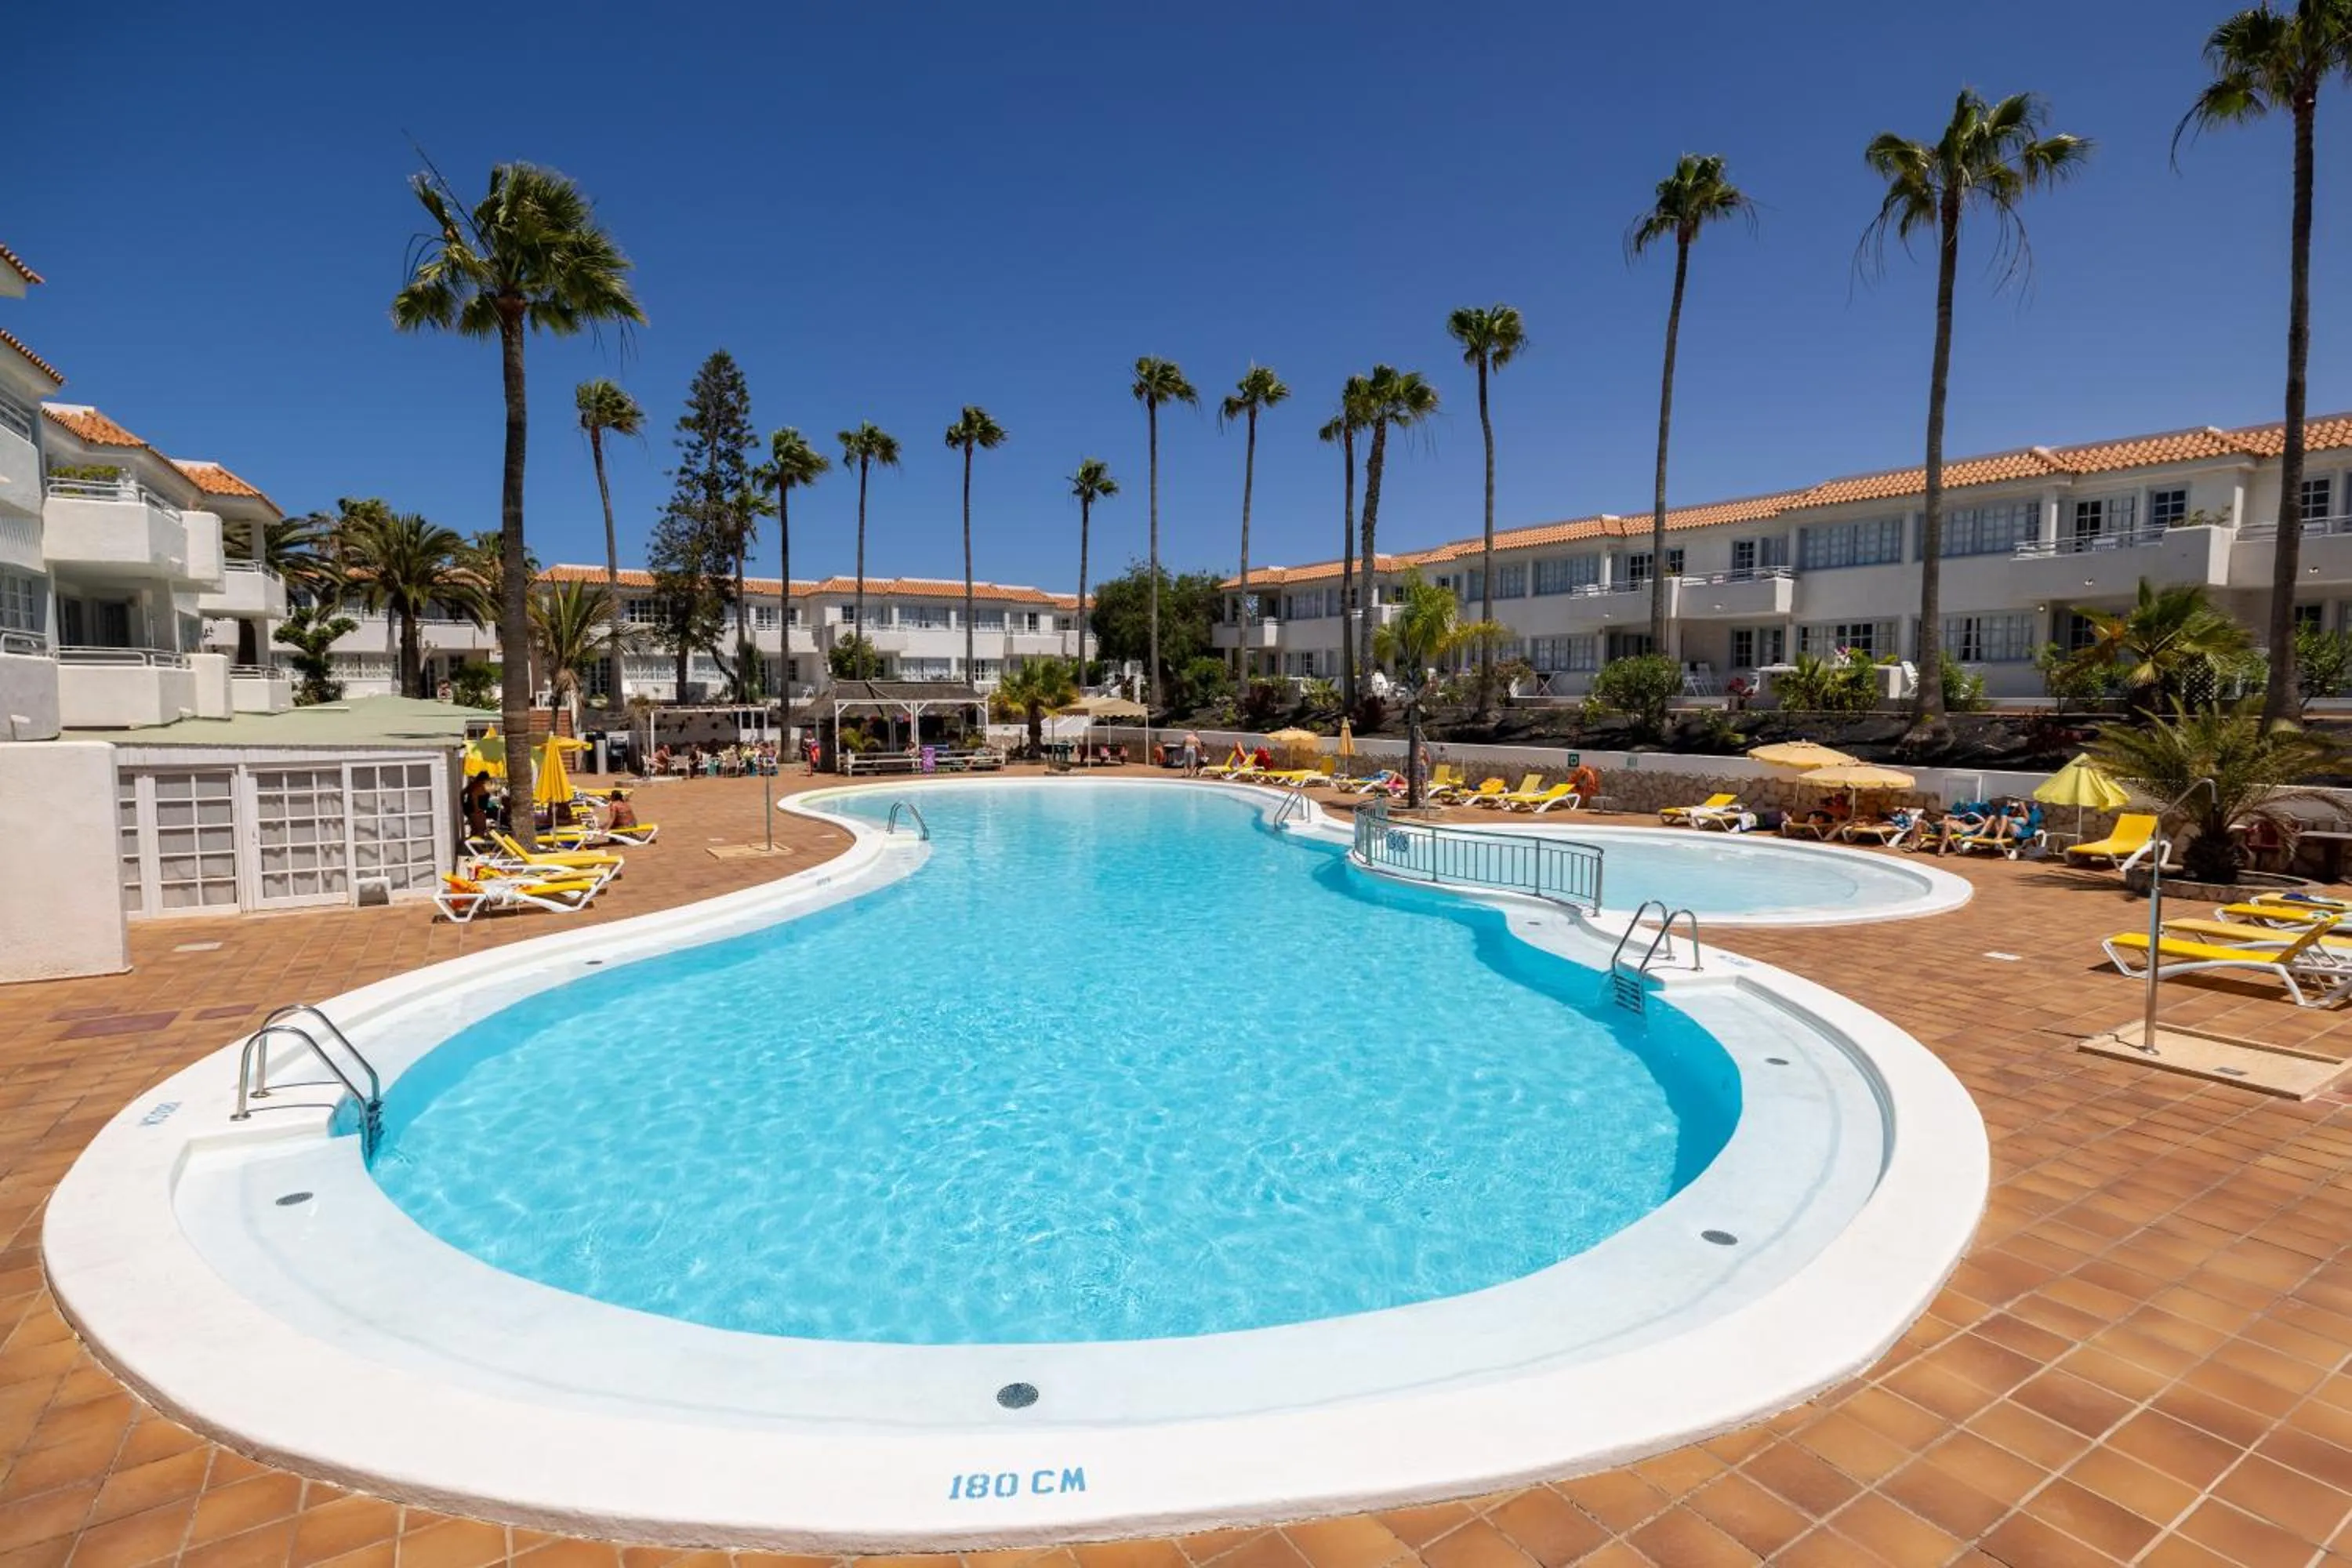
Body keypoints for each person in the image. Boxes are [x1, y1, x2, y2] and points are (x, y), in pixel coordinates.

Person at [463, 771, 493, 839]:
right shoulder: (477, 785)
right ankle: (477, 844)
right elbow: (474, 795)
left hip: (474, 810)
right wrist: (476, 808)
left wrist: (463, 805)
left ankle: (474, 843)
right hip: (477, 812)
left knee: (475, 830)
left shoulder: (475, 785)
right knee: (480, 829)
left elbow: (463, 793)